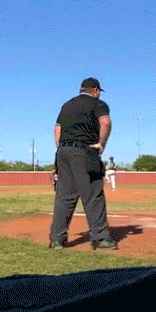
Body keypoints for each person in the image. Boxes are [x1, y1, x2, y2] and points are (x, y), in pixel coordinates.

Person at [49, 78, 117, 250]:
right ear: (95, 90)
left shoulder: (67, 105)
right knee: (93, 194)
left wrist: (62, 150)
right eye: (99, 91)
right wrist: (101, 144)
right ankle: (100, 238)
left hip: (63, 152)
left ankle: (57, 239)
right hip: (84, 151)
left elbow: (57, 130)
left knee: (65, 196)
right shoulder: (98, 104)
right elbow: (105, 122)